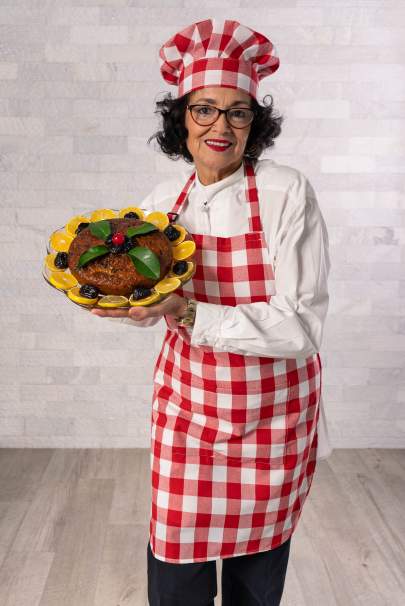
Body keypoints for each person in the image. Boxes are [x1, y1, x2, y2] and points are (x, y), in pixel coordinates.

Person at [91, 18, 332, 606]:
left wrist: (193, 313)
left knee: (257, 576)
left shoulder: (285, 192)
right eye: (204, 109)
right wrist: (130, 303)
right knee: (175, 573)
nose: (220, 125)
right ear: (182, 119)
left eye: (238, 111)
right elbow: (150, 309)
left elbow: (301, 328)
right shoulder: (158, 205)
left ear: (256, 122)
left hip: (272, 419)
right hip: (188, 412)